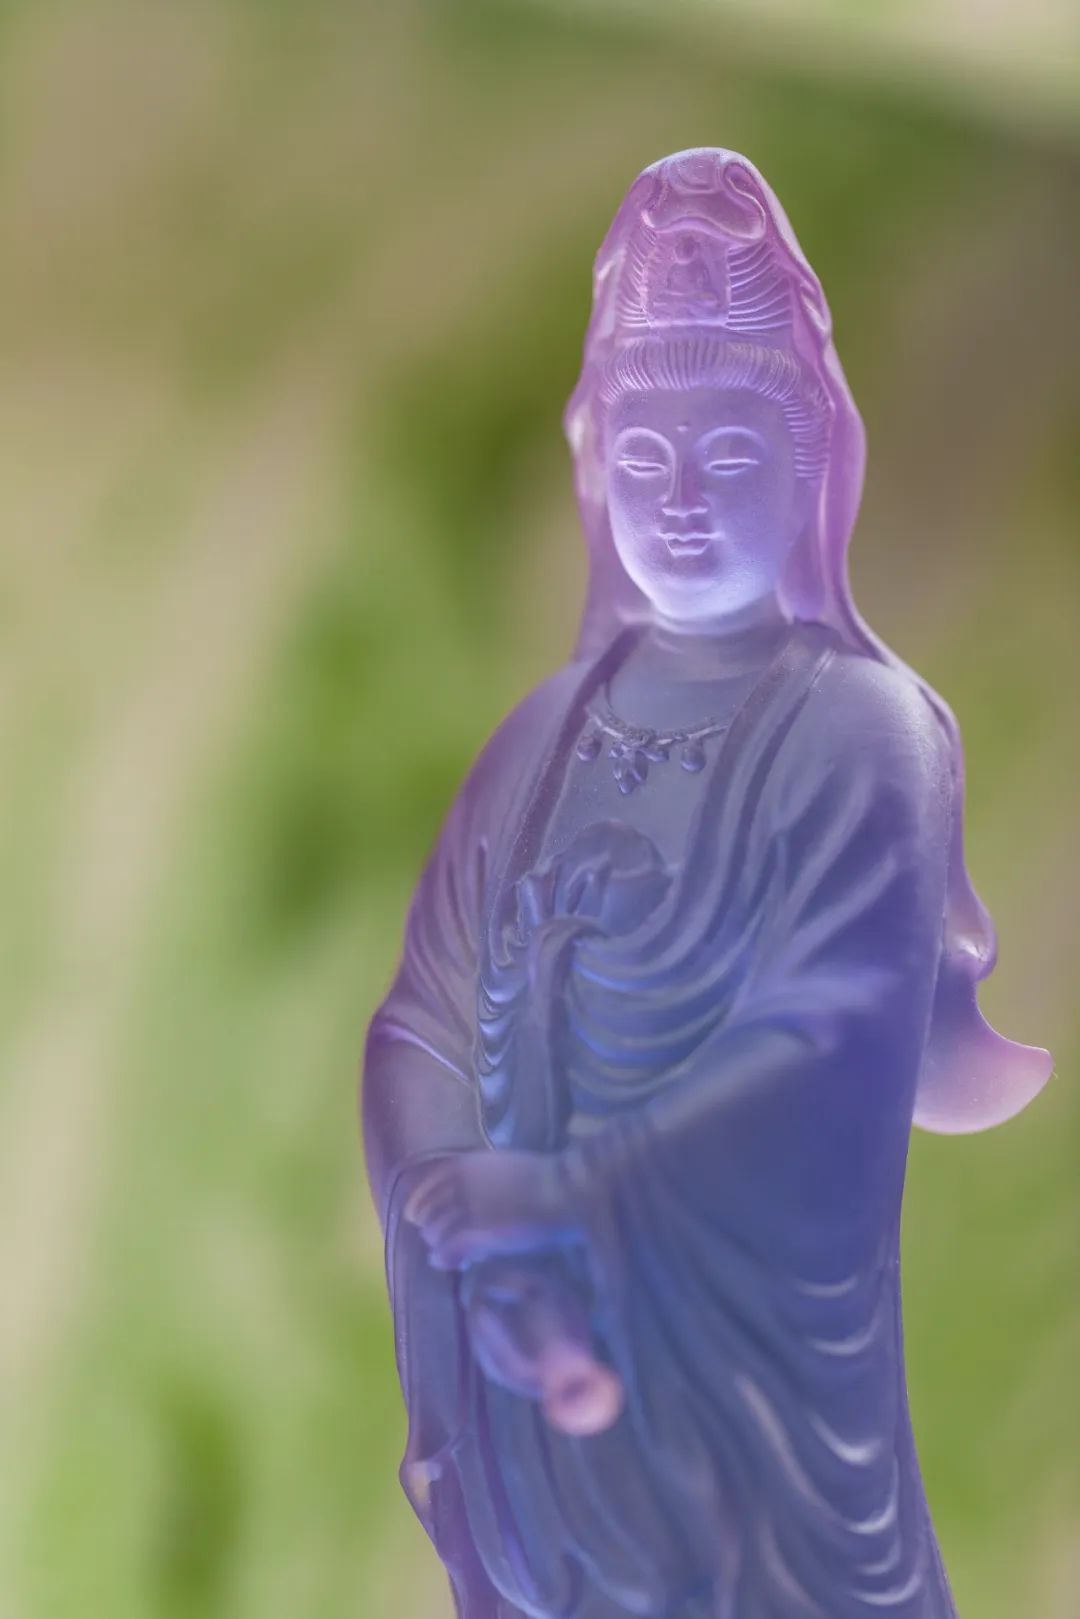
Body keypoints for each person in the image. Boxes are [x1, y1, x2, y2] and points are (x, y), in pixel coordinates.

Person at [362, 149, 1050, 1619]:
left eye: (729, 460)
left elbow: (833, 1043)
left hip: (748, 1414)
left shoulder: (857, 730)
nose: (678, 503)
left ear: (811, 472)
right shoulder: (542, 740)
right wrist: (449, 1205)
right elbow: (422, 1022)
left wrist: (569, 1195)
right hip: (543, 1401)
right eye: (643, 462)